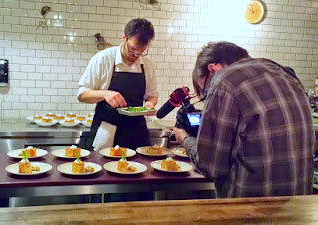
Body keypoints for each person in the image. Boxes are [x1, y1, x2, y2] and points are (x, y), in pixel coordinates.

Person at [174, 41, 315, 198]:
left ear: (213, 69)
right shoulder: (285, 73)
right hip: (299, 207)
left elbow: (211, 167)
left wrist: (185, 139)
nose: (208, 96)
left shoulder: (224, 80)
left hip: (250, 210)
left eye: (205, 91)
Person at [77, 18, 158, 151]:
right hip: (107, 131)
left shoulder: (148, 65)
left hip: (137, 132)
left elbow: (152, 94)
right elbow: (82, 94)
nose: (137, 54)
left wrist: (150, 104)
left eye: (142, 50)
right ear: (124, 38)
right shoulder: (103, 59)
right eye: (132, 49)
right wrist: (104, 94)